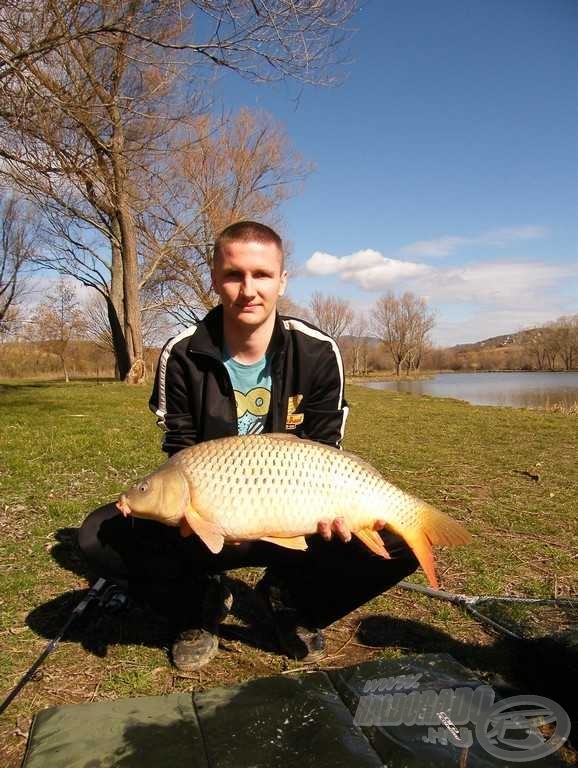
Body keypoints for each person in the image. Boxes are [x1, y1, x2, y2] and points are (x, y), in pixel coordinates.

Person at [79, 221, 418, 672]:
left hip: (297, 513)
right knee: (97, 537)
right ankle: (197, 604)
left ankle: (287, 599)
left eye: (261, 274)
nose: (248, 289)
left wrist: (334, 519)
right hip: (212, 515)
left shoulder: (317, 352)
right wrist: (191, 518)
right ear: (215, 279)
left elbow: (323, 451)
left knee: (404, 541)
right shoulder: (181, 354)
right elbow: (180, 448)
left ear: (282, 280)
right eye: (234, 275)